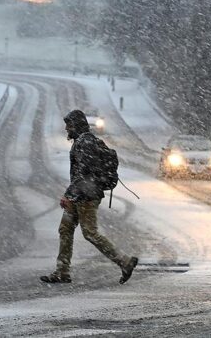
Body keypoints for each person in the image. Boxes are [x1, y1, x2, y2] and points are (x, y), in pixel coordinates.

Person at [40, 109, 138, 284]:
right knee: (66, 229)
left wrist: (69, 195)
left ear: (76, 125)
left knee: (90, 233)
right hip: (80, 194)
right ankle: (62, 271)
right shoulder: (82, 141)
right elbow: (82, 173)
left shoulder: (85, 143)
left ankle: (124, 261)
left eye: (68, 125)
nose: (66, 129)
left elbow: (84, 174)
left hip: (86, 196)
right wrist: (71, 195)